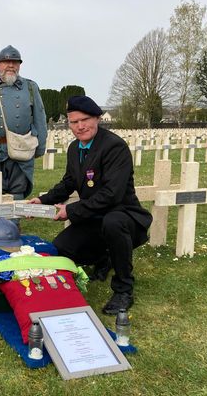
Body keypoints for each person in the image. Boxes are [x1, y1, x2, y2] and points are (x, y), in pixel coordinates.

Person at [28, 95, 152, 315]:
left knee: (113, 223)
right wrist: (43, 199)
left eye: (85, 119)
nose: (80, 126)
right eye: (74, 122)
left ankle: (124, 289)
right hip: (94, 217)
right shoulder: (75, 148)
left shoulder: (114, 146)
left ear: (97, 118)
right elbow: (69, 182)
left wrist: (72, 210)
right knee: (62, 247)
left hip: (123, 215)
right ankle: (104, 257)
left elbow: (112, 195)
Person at [0, 45, 47, 201]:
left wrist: (40, 147)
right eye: (6, 62)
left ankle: (14, 223)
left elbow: (40, 119)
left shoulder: (31, 87)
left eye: (15, 62)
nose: (11, 65)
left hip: (21, 147)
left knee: (18, 188)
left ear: (19, 65)